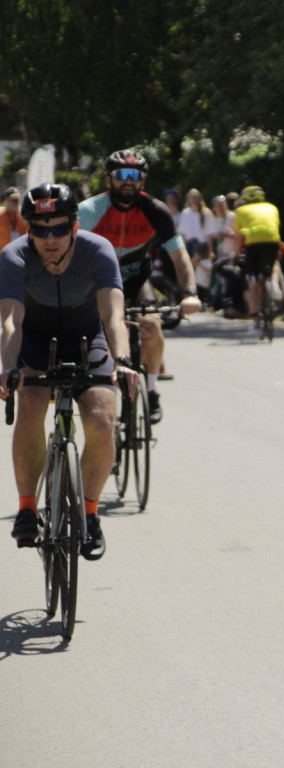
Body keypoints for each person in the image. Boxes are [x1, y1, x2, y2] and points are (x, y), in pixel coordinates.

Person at [0, 183, 140, 559]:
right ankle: (28, 507)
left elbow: (113, 314)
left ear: (75, 226)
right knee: (30, 405)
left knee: (101, 418)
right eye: (40, 229)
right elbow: (12, 323)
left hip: (87, 336)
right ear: (29, 228)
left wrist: (122, 360)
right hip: (35, 339)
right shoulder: (13, 256)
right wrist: (9, 367)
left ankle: (89, 514)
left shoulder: (99, 251)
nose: (50, 239)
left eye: (59, 228)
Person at [77, 150, 202, 423]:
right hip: (98, 282)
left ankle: (153, 388)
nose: (128, 181)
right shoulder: (89, 211)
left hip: (137, 279)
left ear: (143, 180)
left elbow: (180, 256)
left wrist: (190, 293)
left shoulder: (156, 211)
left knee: (152, 326)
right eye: (121, 175)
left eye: (135, 175)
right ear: (109, 179)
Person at [233, 185, 281, 330]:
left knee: (252, 282)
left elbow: (238, 236)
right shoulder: (272, 207)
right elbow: (276, 227)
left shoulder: (241, 210)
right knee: (272, 266)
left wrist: (236, 254)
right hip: (272, 241)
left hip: (253, 244)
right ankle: (273, 284)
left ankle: (255, 320)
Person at [178, 188, 214, 257]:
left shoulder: (207, 213)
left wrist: (210, 250)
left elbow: (210, 234)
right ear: (188, 199)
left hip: (203, 247)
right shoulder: (185, 213)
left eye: (196, 198)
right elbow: (183, 234)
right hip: (190, 246)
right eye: (192, 198)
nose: (194, 200)